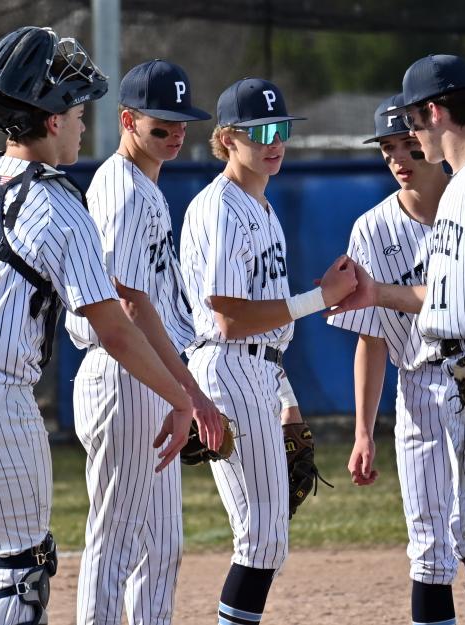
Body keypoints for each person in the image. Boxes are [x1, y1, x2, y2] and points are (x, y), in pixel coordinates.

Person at [0, 27, 195, 625]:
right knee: (21, 571)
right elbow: (116, 330)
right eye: (76, 113)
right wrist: (180, 399)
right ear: (50, 121)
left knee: (8, 559)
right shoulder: (60, 205)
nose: (79, 125)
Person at [330, 55, 465, 625]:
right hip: (456, 372)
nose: (407, 139)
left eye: (413, 122)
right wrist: (379, 292)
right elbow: (441, 296)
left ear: (433, 112)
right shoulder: (461, 186)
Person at [179, 77, 356, 625]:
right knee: (261, 539)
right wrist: (320, 298)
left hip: (256, 370)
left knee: (265, 538)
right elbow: (230, 319)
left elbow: (262, 331)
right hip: (229, 367)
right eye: (260, 132)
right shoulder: (223, 208)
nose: (275, 141)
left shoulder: (262, 207)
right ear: (228, 138)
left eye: (281, 129)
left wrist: (286, 395)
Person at [65, 59, 221, 625]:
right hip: (123, 374)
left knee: (160, 547)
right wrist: (192, 394)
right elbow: (127, 303)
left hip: (145, 376)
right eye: (162, 126)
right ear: (128, 120)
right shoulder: (125, 191)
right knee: (117, 543)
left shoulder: (143, 186)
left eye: (183, 123)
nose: (176, 134)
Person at [326, 94, 460, 622]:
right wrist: (363, 431)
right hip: (419, 389)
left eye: (408, 145)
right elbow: (371, 338)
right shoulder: (372, 229)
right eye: (388, 149)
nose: (399, 160)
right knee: (428, 539)